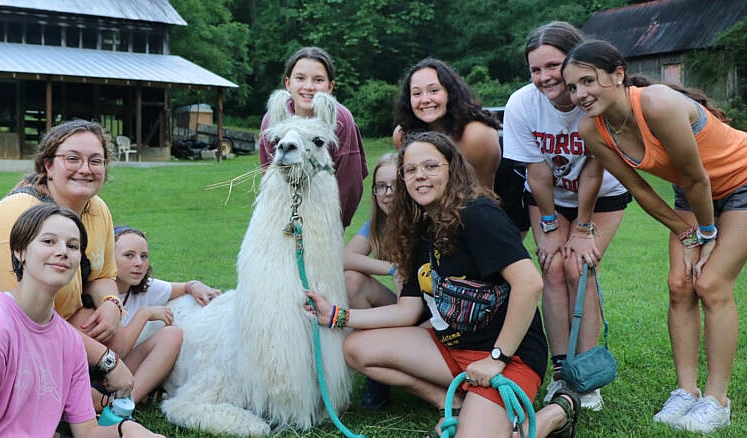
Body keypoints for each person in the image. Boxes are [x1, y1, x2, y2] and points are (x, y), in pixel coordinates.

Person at [309, 131, 580, 438]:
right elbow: (407, 311)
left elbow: (530, 284)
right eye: (410, 170)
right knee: (357, 348)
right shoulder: (418, 228)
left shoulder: (478, 214)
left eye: (430, 167)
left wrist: (497, 358)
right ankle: (454, 405)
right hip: (450, 348)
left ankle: (555, 413)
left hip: (508, 356)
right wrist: (336, 316)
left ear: (452, 169)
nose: (419, 176)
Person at [563, 39, 747, 434]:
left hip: (741, 180)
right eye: (572, 87)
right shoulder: (592, 129)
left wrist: (707, 235)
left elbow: (698, 176)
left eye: (587, 81)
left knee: (711, 283)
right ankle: (686, 391)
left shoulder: (658, 103)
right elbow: (641, 190)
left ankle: (717, 401)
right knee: (680, 285)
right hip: (691, 193)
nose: (579, 94)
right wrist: (686, 232)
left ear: (617, 75)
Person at [0, 119, 139, 406]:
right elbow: (22, 321)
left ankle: (73, 394)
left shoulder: (96, 209)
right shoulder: (17, 218)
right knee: (88, 352)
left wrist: (112, 304)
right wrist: (107, 361)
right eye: (72, 159)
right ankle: (89, 402)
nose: (85, 169)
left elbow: (101, 275)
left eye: (96, 160)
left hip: (45, 315)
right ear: (48, 166)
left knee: (112, 333)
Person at [0, 203, 163, 438]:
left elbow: (88, 432)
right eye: (48, 241)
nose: (62, 252)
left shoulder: (69, 341)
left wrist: (127, 430)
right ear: (20, 251)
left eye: (72, 245)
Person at [502, 22, 631, 412]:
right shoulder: (522, 104)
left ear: (575, 62)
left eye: (553, 66)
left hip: (602, 194)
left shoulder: (594, 99)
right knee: (553, 267)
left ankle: (586, 375)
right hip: (548, 199)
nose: (543, 78)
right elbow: (537, 171)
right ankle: (561, 371)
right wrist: (548, 226)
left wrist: (584, 228)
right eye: (535, 70)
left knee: (580, 267)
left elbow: (594, 169)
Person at [258, 46, 368, 228]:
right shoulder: (274, 119)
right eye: (300, 78)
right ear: (288, 83)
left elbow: (349, 181)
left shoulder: (340, 120)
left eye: (318, 80)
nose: (308, 87)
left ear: (330, 86)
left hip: (325, 215)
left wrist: (334, 226)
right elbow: (270, 172)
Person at [111, 225, 219, 361]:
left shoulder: (145, 287)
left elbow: (185, 287)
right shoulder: (98, 294)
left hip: (126, 365)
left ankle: (137, 384)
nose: (139, 263)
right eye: (129, 255)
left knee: (171, 335)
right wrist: (145, 314)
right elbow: (117, 352)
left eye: (144, 256)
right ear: (109, 257)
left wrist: (195, 286)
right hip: (101, 367)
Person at [342, 153, 399, 408]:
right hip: (405, 303)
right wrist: (391, 268)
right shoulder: (379, 223)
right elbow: (346, 258)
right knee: (352, 280)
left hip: (433, 311)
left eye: (395, 185)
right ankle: (375, 376)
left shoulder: (425, 218)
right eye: (380, 187)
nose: (387, 193)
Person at [393, 57, 501, 190]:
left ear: (450, 93)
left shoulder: (477, 135)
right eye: (416, 93)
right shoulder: (402, 135)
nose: (425, 100)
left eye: (434, 91)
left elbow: (483, 195)